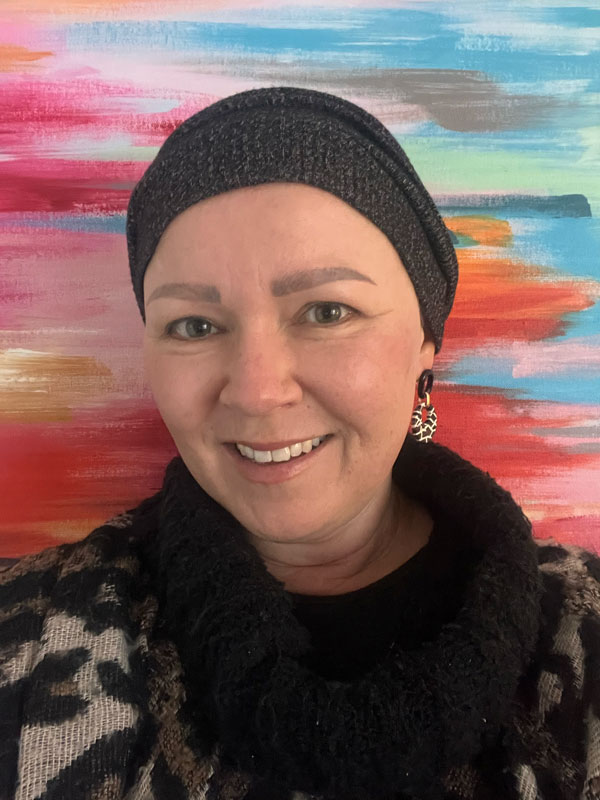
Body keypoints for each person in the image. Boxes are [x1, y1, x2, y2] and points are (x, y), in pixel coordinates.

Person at [0, 86, 598, 800]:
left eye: (326, 311)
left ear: (425, 343)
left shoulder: (584, 637)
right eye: (194, 325)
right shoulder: (26, 639)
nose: (257, 391)